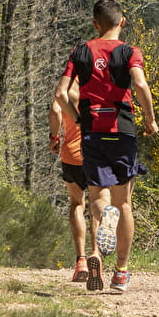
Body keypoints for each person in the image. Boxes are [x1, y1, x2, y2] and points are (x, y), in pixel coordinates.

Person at [55, 0, 158, 292]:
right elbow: (139, 84)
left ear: (95, 24)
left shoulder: (81, 51)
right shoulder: (129, 52)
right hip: (122, 129)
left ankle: (96, 253)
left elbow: (62, 93)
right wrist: (150, 119)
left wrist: (76, 119)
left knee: (98, 199)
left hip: (92, 132)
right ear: (122, 22)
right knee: (123, 202)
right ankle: (121, 272)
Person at [49, 88, 97, 284]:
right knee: (98, 204)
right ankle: (96, 254)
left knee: (77, 203)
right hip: (97, 152)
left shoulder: (67, 89)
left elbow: (55, 110)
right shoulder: (101, 82)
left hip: (72, 154)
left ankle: (81, 262)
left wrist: (54, 137)